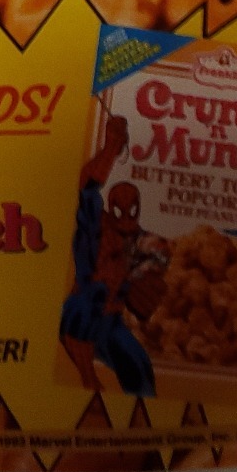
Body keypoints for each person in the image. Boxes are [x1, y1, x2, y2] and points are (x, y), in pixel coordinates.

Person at [59, 112, 170, 396]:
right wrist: (110, 148)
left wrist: (147, 275)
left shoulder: (139, 240)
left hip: (110, 325)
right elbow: (86, 188)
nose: (126, 218)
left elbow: (159, 255)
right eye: (121, 211)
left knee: (140, 371)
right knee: (91, 297)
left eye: (132, 211)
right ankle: (87, 379)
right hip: (80, 316)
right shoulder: (96, 227)